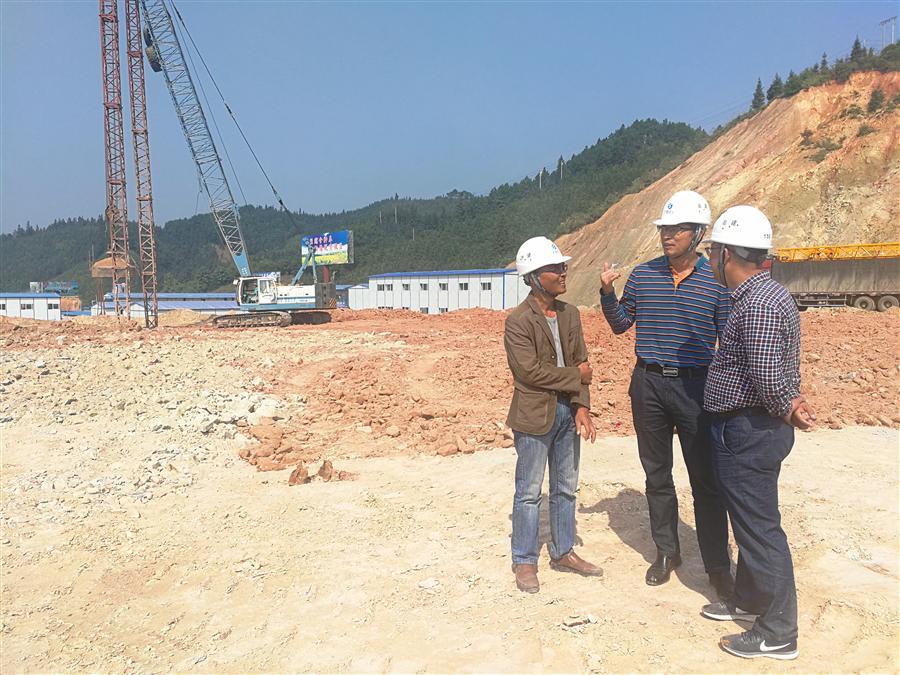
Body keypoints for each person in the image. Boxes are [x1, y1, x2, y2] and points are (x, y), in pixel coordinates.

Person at [599, 190, 734, 596]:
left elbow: (728, 341)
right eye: (664, 229)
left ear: (698, 234)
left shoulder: (717, 282)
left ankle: (717, 567)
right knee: (657, 475)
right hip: (649, 385)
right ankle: (666, 552)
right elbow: (621, 324)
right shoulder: (643, 276)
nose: (668, 235)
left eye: (677, 229)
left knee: (705, 480)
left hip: (697, 386)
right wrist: (606, 293)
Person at [700, 205, 814, 660]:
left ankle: (779, 631)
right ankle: (749, 598)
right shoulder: (761, 294)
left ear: (727, 254)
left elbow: (767, 374)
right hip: (749, 426)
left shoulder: (759, 303)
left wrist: (788, 406)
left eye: (713, 253)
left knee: (761, 530)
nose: (711, 261)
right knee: (750, 521)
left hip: (748, 429)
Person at [504, 236, 602, 594]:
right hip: (534, 416)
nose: (563, 272)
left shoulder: (570, 314)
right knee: (529, 492)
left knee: (565, 488)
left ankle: (563, 552)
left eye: (563, 266)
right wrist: (577, 377)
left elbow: (581, 361)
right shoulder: (518, 321)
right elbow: (529, 373)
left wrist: (582, 405)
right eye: (555, 268)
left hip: (567, 413)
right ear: (533, 277)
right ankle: (524, 560)